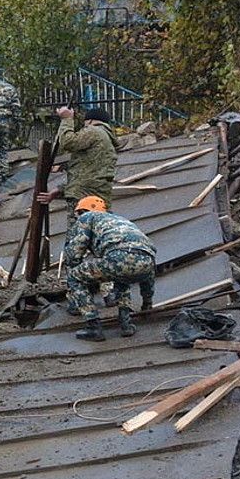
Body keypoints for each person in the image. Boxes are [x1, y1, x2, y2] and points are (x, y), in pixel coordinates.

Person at [64, 196, 156, 341]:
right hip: (148, 260)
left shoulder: (87, 217)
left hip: (118, 257)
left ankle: (93, 326)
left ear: (82, 211)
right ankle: (126, 324)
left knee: (75, 277)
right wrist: (147, 304)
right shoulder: (120, 220)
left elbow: (74, 254)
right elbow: (148, 276)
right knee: (122, 276)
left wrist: (74, 268)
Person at [38, 105, 118, 236]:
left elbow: (68, 142)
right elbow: (87, 172)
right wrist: (60, 190)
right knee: (94, 236)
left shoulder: (94, 131)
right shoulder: (106, 139)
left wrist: (67, 120)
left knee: (77, 238)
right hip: (96, 196)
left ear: (90, 121)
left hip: (83, 199)